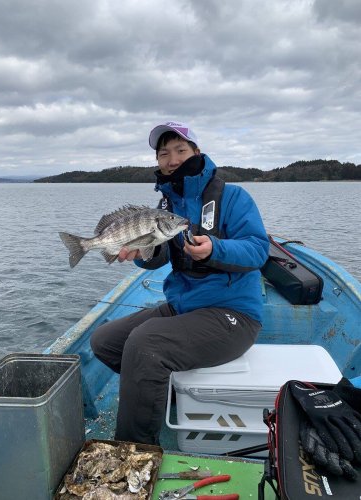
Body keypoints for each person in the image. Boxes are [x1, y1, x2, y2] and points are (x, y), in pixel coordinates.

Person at [90, 120, 270, 445]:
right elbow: (156, 259)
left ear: (196, 152)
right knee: (104, 341)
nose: (172, 159)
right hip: (183, 308)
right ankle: (159, 393)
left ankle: (135, 450)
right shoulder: (166, 206)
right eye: (164, 153)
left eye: (180, 150)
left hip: (233, 316)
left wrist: (215, 248)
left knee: (145, 343)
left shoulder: (233, 197)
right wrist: (139, 252)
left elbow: (258, 250)